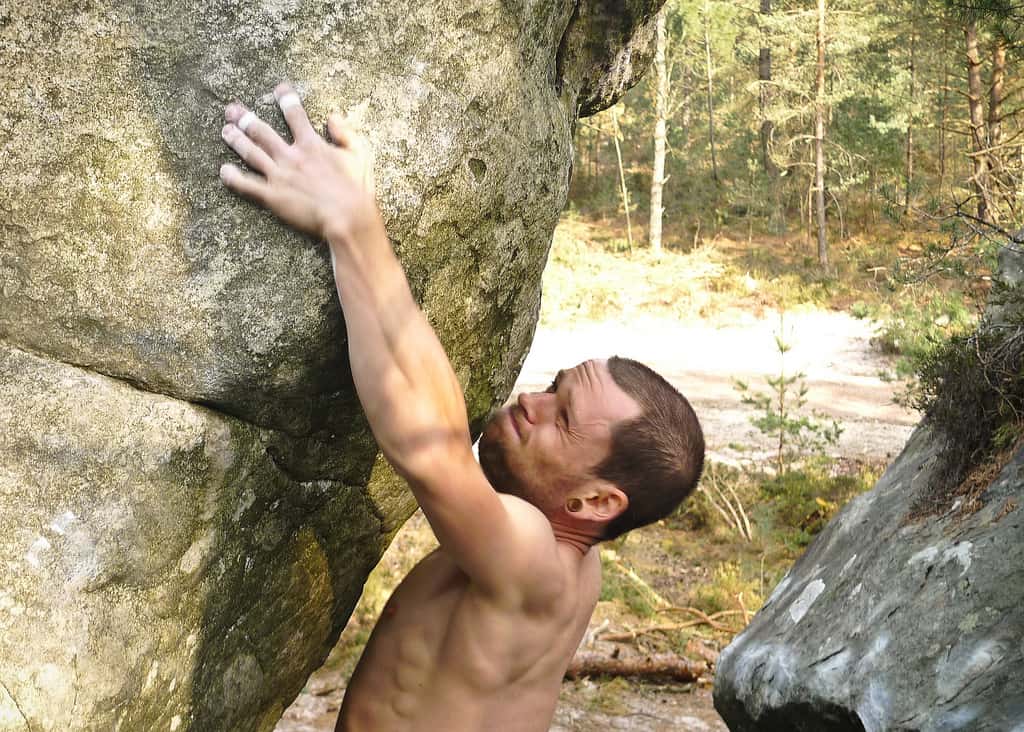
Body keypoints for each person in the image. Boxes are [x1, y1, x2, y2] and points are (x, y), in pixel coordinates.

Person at [219, 84, 705, 732]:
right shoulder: (569, 562)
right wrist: (362, 230)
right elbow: (445, 428)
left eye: (562, 419)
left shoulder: (535, 561)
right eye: (552, 387)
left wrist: (351, 224)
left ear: (594, 503)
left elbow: (431, 452)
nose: (530, 402)